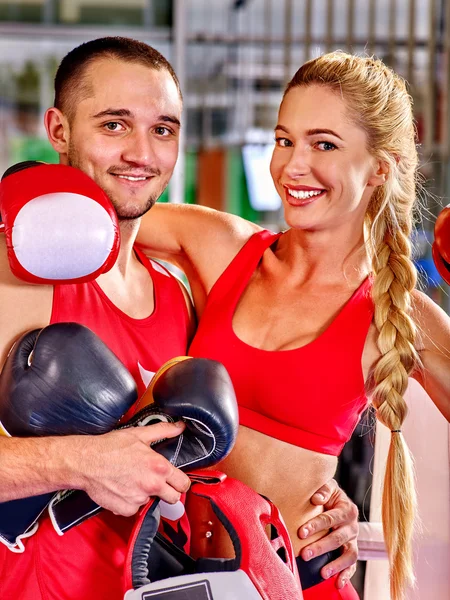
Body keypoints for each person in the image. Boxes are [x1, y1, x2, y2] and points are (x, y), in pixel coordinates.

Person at [0, 38, 358, 600]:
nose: (142, 153)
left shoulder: (177, 294)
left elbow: (195, 460)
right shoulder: (19, 277)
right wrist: (78, 462)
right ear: (59, 130)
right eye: (114, 125)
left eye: (163, 130)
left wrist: (315, 501)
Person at [135, 51, 450, 600]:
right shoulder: (221, 247)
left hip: (299, 587)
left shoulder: (394, 313)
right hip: (178, 576)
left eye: (323, 145)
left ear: (381, 166)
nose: (292, 166)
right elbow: (74, 214)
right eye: (284, 140)